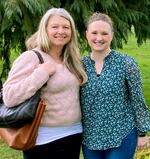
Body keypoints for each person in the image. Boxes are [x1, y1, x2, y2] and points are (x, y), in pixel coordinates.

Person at [2, 8, 87, 159]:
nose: (61, 31)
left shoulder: (72, 60)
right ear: (45, 29)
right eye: (55, 26)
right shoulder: (32, 57)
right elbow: (9, 96)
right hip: (43, 140)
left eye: (66, 27)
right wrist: (41, 74)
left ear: (71, 32)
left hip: (74, 135)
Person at [80, 12, 150, 159]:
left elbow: (138, 100)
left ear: (111, 35)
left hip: (122, 134)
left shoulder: (126, 63)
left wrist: (142, 132)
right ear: (87, 35)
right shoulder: (80, 65)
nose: (99, 38)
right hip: (90, 137)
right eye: (94, 33)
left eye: (104, 33)